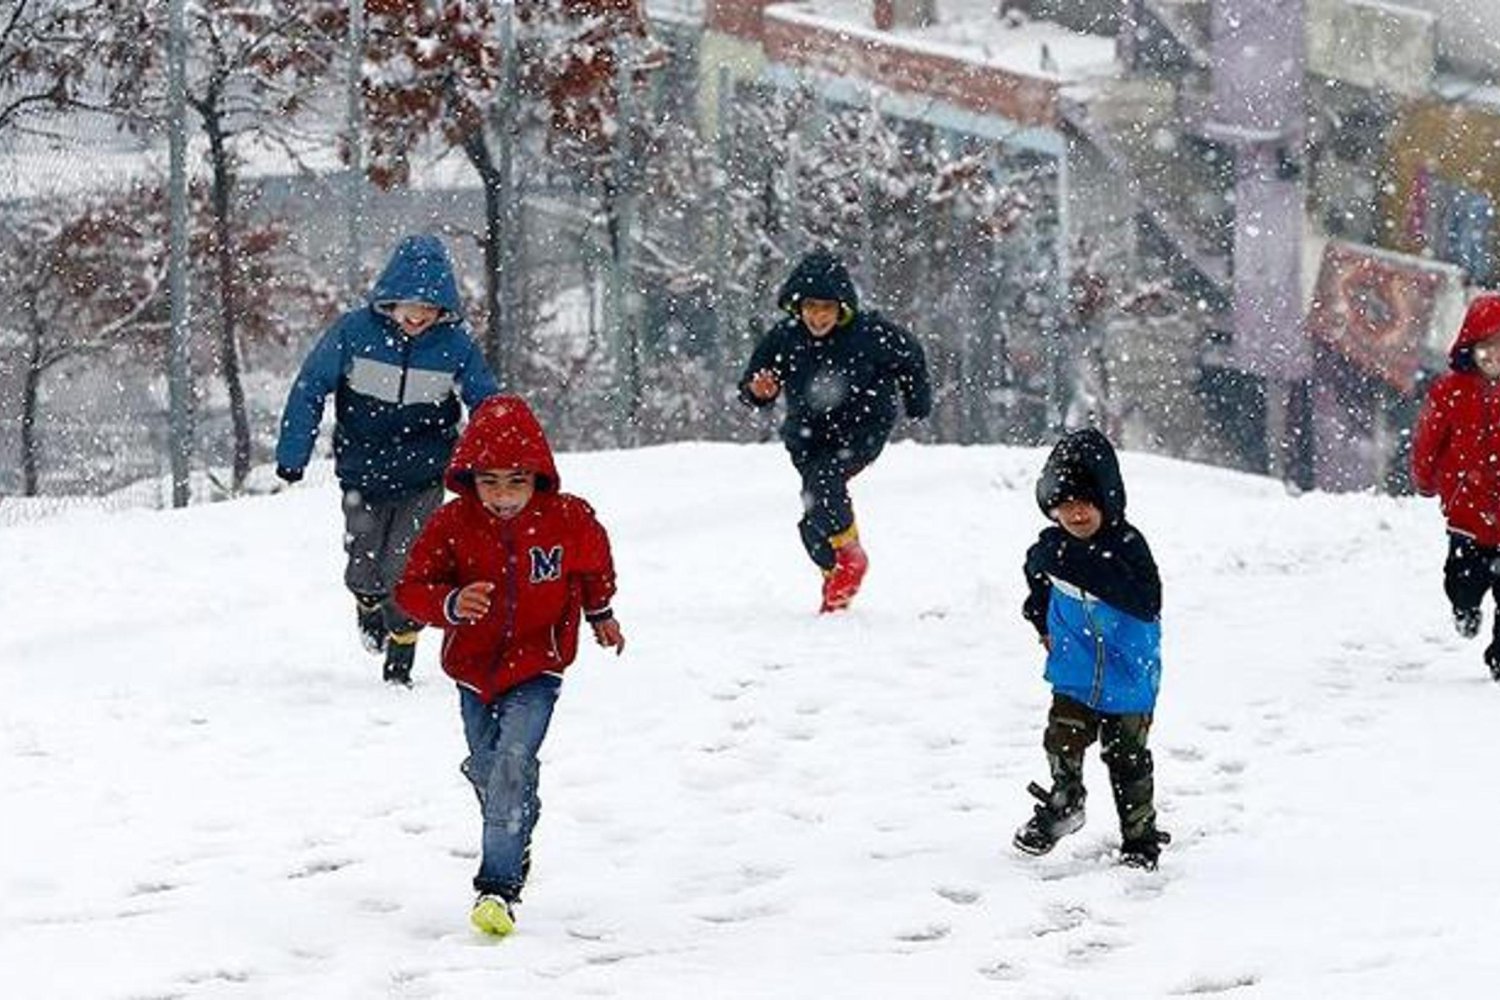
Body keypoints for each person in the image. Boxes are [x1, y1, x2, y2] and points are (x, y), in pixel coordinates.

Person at [393, 394, 624, 937]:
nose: (502, 496)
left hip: (538, 666)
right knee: (488, 768)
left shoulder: (568, 518)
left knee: (511, 764)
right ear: (469, 478)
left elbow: (593, 565)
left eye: (516, 482)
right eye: (489, 482)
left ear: (539, 477)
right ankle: (515, 821)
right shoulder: (452, 523)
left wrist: (602, 613)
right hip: (473, 670)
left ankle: (497, 887)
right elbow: (411, 588)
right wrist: (449, 603)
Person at [275, 234, 499, 686]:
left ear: (445, 309)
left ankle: (403, 647)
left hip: (424, 475)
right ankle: (367, 603)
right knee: (364, 563)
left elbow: (487, 402)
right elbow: (310, 386)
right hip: (362, 471)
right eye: (409, 306)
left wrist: (496, 460)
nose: (418, 316)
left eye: (430, 308)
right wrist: (292, 453)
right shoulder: (354, 334)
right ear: (389, 300)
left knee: (409, 564)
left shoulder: (455, 346)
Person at [738, 248, 931, 613]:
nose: (818, 316)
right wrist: (757, 391)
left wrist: (916, 400)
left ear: (842, 308)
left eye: (826, 308)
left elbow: (911, 356)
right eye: (810, 307)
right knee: (813, 518)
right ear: (797, 307)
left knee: (825, 483)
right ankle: (835, 575)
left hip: (861, 431)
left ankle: (850, 558)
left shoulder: (870, 333)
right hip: (808, 436)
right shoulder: (784, 338)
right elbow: (753, 383)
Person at [1014, 427, 1169, 869]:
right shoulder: (1050, 549)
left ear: (1107, 500)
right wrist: (1040, 620)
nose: (1075, 513)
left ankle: (1139, 838)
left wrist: (1079, 564)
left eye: (1085, 502)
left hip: (1128, 674)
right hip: (1075, 670)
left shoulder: (1127, 546)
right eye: (1063, 505)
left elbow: (1146, 600)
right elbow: (1038, 584)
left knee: (1127, 760)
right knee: (1062, 738)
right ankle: (1065, 805)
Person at [1412, 292, 1500, 681]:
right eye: (1487, 348)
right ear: (1471, 347)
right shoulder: (1450, 392)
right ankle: (1465, 608)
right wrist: (1425, 479)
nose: (1494, 357)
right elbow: (1429, 441)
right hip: (1467, 512)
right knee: (1462, 580)